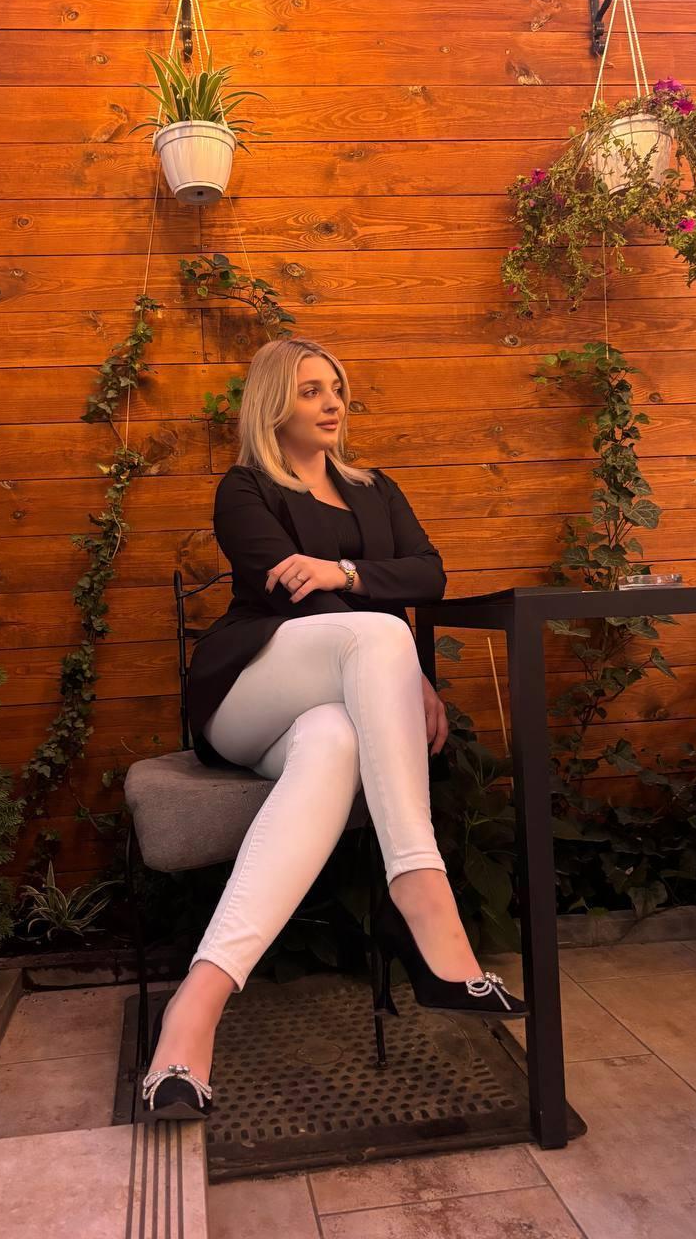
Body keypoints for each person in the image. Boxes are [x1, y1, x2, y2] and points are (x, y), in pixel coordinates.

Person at [140, 337, 527, 1121]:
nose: (332, 403)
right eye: (311, 390)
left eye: (338, 389)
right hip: (249, 690)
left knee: (335, 740)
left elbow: (429, 573)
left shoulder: (375, 489)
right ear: (273, 402)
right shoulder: (246, 489)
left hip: (329, 705)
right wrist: (389, 650)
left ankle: (193, 1009)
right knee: (378, 634)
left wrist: (343, 573)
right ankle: (421, 892)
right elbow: (295, 595)